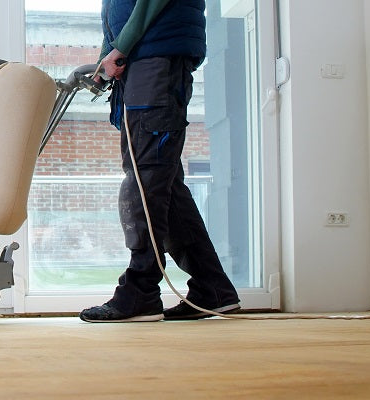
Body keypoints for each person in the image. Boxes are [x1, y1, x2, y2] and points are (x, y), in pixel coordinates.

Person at [79, 0, 241, 322]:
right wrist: (106, 58)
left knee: (145, 180)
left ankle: (141, 290)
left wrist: (120, 48)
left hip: (156, 60)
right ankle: (213, 289)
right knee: (165, 186)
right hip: (143, 62)